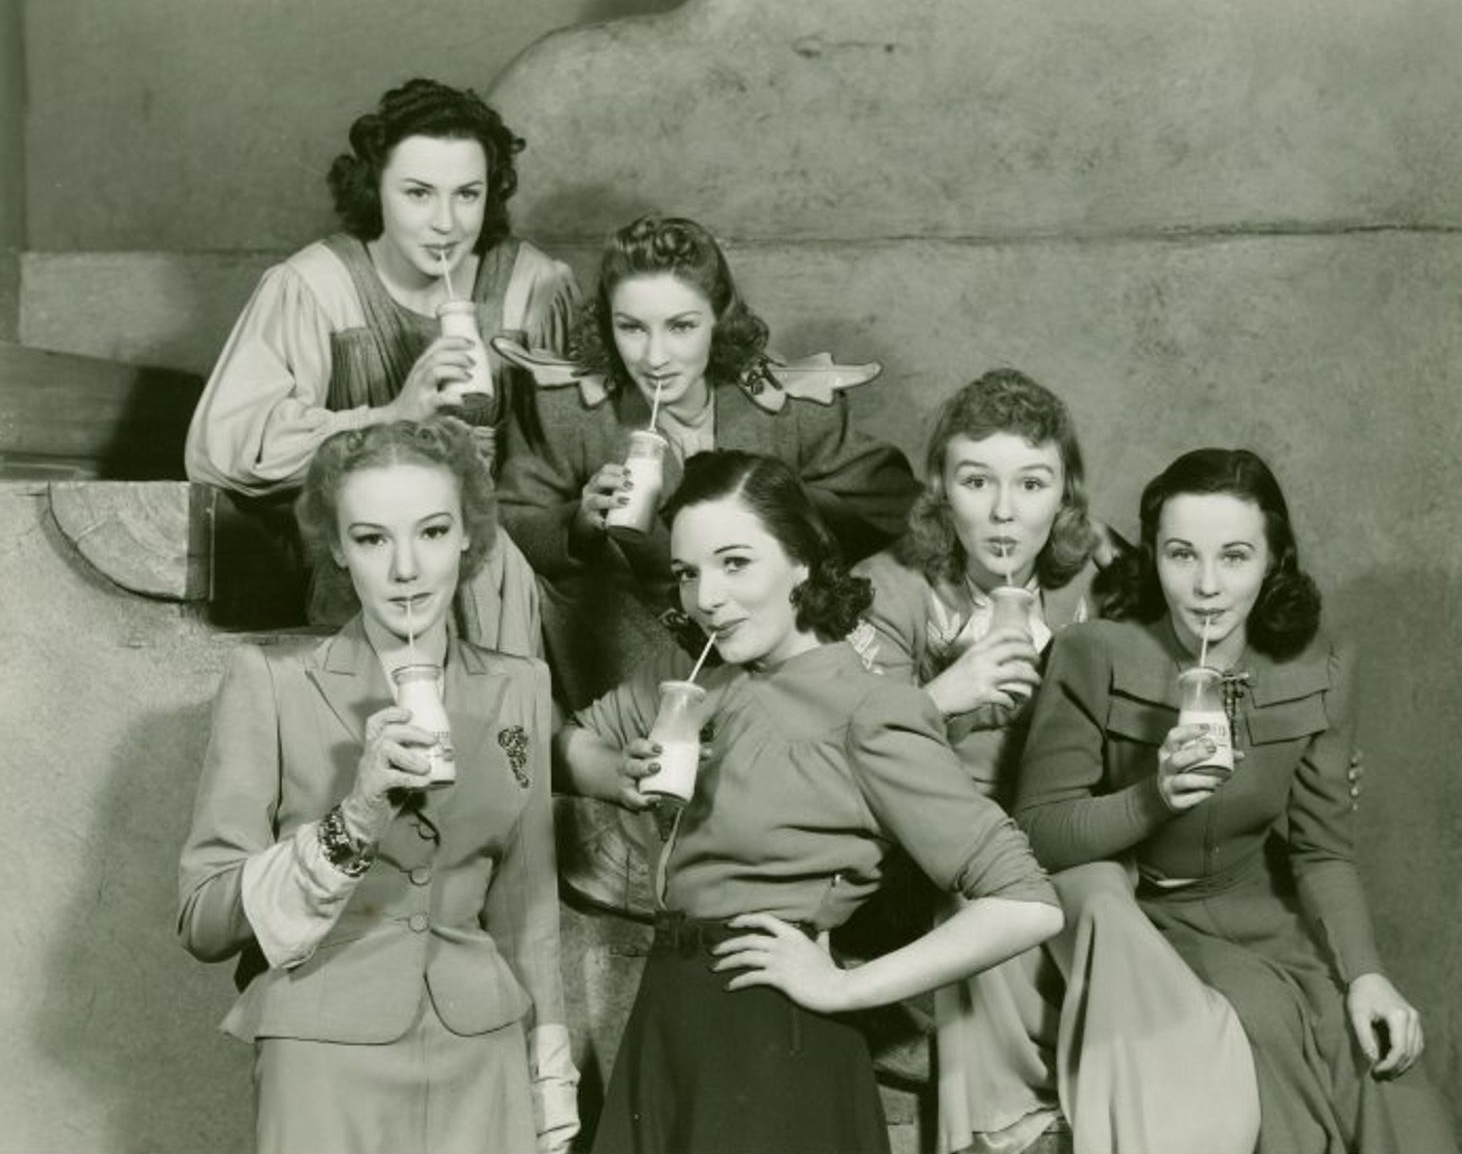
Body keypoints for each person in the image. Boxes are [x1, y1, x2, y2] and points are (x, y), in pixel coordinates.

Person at [558, 450, 1063, 1154]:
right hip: (669, 1019)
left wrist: (844, 989)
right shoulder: (694, 673)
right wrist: (617, 772)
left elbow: (1026, 903)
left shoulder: (871, 710)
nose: (706, 597)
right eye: (688, 573)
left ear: (800, 563)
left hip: (774, 1041)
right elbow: (566, 744)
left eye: (735, 563)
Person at [850, 372, 1259, 1154]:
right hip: (935, 849)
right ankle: (1006, 1128)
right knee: (993, 900)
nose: (1004, 512)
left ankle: (1172, 1104)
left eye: (1031, 484)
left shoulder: (1104, 581)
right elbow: (847, 756)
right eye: (977, 482)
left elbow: (1211, 652)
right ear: (940, 489)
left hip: (1074, 831)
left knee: (1099, 890)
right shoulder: (888, 588)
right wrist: (942, 697)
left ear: (1065, 495)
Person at [1015, 448, 1457, 1154]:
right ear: (1153, 555)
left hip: (1263, 905)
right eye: (1181, 555)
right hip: (1143, 919)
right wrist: (1152, 799)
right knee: (1267, 1031)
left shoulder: (1322, 663)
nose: (1207, 586)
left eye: (1236, 556)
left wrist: (1367, 973)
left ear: (1274, 560)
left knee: (1385, 1069)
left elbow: (1322, 850)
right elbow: (1037, 832)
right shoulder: (1093, 654)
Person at [495, 213, 919, 914]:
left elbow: (891, 500)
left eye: (681, 327)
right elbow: (506, 523)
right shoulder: (574, 412)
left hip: (760, 641)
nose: (655, 355)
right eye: (632, 328)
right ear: (606, 324)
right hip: (630, 643)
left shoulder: (785, 410)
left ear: (719, 319)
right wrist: (578, 522)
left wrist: (771, 507)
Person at [177, 416, 578, 1154]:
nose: (406, 569)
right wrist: (355, 815)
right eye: (371, 539)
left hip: (481, 1054)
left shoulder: (521, 684)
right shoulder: (270, 682)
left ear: (468, 534)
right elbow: (203, 922)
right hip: (322, 1055)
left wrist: (550, 1074)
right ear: (337, 547)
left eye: (432, 532)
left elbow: (528, 908)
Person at [184, 78, 578, 645]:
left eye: (468, 194)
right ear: (375, 188)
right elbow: (222, 454)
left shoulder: (534, 284)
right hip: (365, 569)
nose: (446, 222)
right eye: (418, 193)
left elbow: (572, 454)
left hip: (512, 560)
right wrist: (390, 416)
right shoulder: (314, 285)